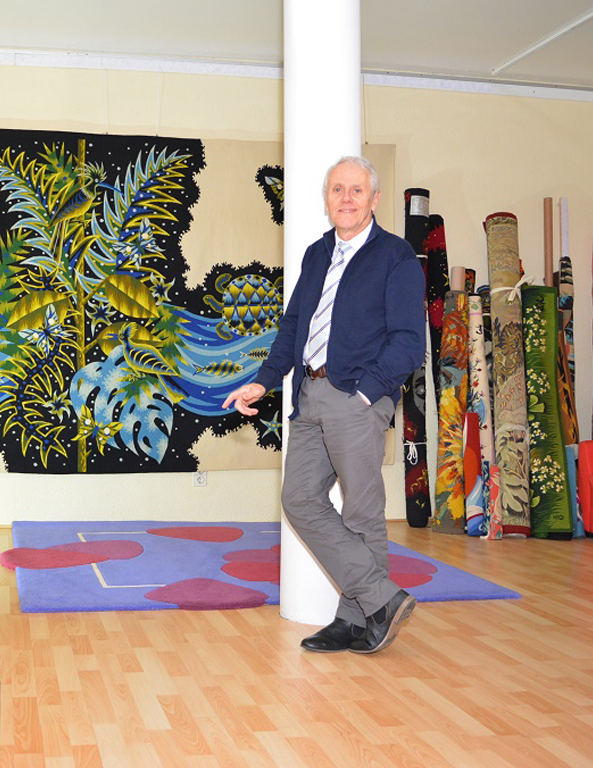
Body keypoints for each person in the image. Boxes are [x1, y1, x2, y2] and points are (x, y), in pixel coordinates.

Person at [223, 156, 426, 654]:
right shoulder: (317, 254)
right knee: (299, 499)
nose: (347, 198)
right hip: (308, 395)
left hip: (356, 397)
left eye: (356, 190)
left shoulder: (396, 256)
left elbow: (408, 341)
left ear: (374, 199)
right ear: (327, 198)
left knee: (361, 511)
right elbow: (294, 325)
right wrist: (264, 382)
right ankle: (378, 600)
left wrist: (366, 393)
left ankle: (356, 620)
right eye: (338, 190)